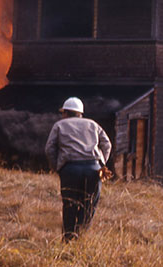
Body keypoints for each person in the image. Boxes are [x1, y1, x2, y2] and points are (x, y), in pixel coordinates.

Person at [45, 97, 112, 241]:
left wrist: (57, 167)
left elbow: (49, 148)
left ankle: (68, 239)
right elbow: (107, 145)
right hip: (93, 169)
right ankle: (81, 237)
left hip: (70, 170)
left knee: (70, 204)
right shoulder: (93, 124)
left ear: (66, 113)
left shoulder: (59, 125)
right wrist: (101, 163)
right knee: (89, 204)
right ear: (80, 113)